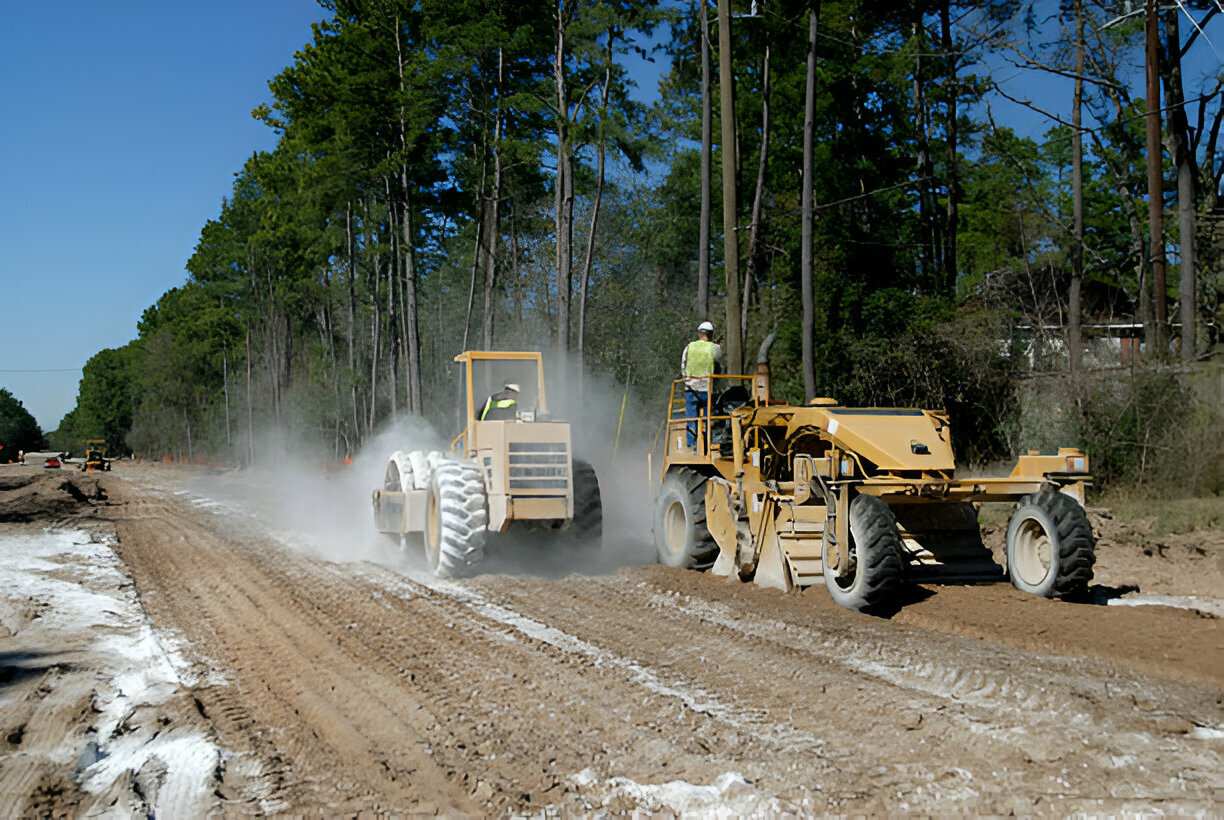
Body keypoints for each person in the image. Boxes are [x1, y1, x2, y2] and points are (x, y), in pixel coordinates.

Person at [680, 321, 726, 449]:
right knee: (708, 418)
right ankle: (708, 444)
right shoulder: (714, 348)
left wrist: (688, 379)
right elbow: (720, 364)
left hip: (691, 389)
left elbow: (683, 367)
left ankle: (692, 445)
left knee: (691, 419)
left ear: (699, 333)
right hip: (707, 389)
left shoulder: (689, 347)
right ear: (710, 335)